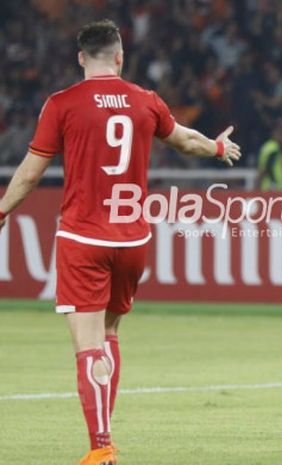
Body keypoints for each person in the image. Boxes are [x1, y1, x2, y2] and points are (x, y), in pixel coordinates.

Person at [0, 20, 241, 465]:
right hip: (133, 238)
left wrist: (2, 210)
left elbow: (31, 171)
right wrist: (217, 149)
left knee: (87, 343)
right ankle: (105, 437)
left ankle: (101, 446)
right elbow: (184, 140)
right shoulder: (145, 101)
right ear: (119, 55)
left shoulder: (62, 104)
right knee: (109, 334)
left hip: (83, 235)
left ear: (80, 58)